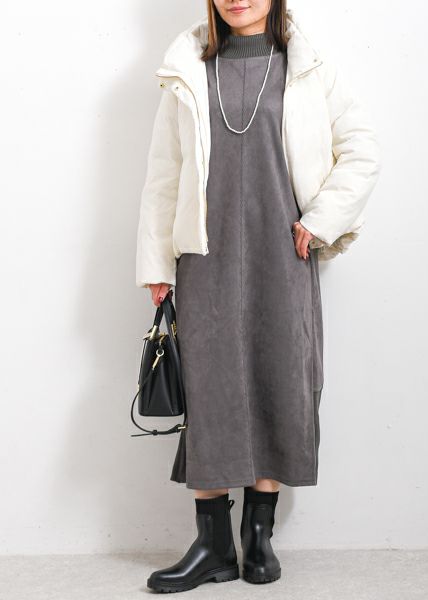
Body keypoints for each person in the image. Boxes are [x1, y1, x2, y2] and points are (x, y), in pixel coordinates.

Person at [135, 0, 381, 593]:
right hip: (205, 254)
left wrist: (320, 222)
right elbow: (165, 173)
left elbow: (362, 149)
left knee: (280, 378)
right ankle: (212, 546)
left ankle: (258, 537)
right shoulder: (188, 68)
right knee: (210, 389)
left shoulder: (308, 65)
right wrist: (156, 262)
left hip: (283, 253)